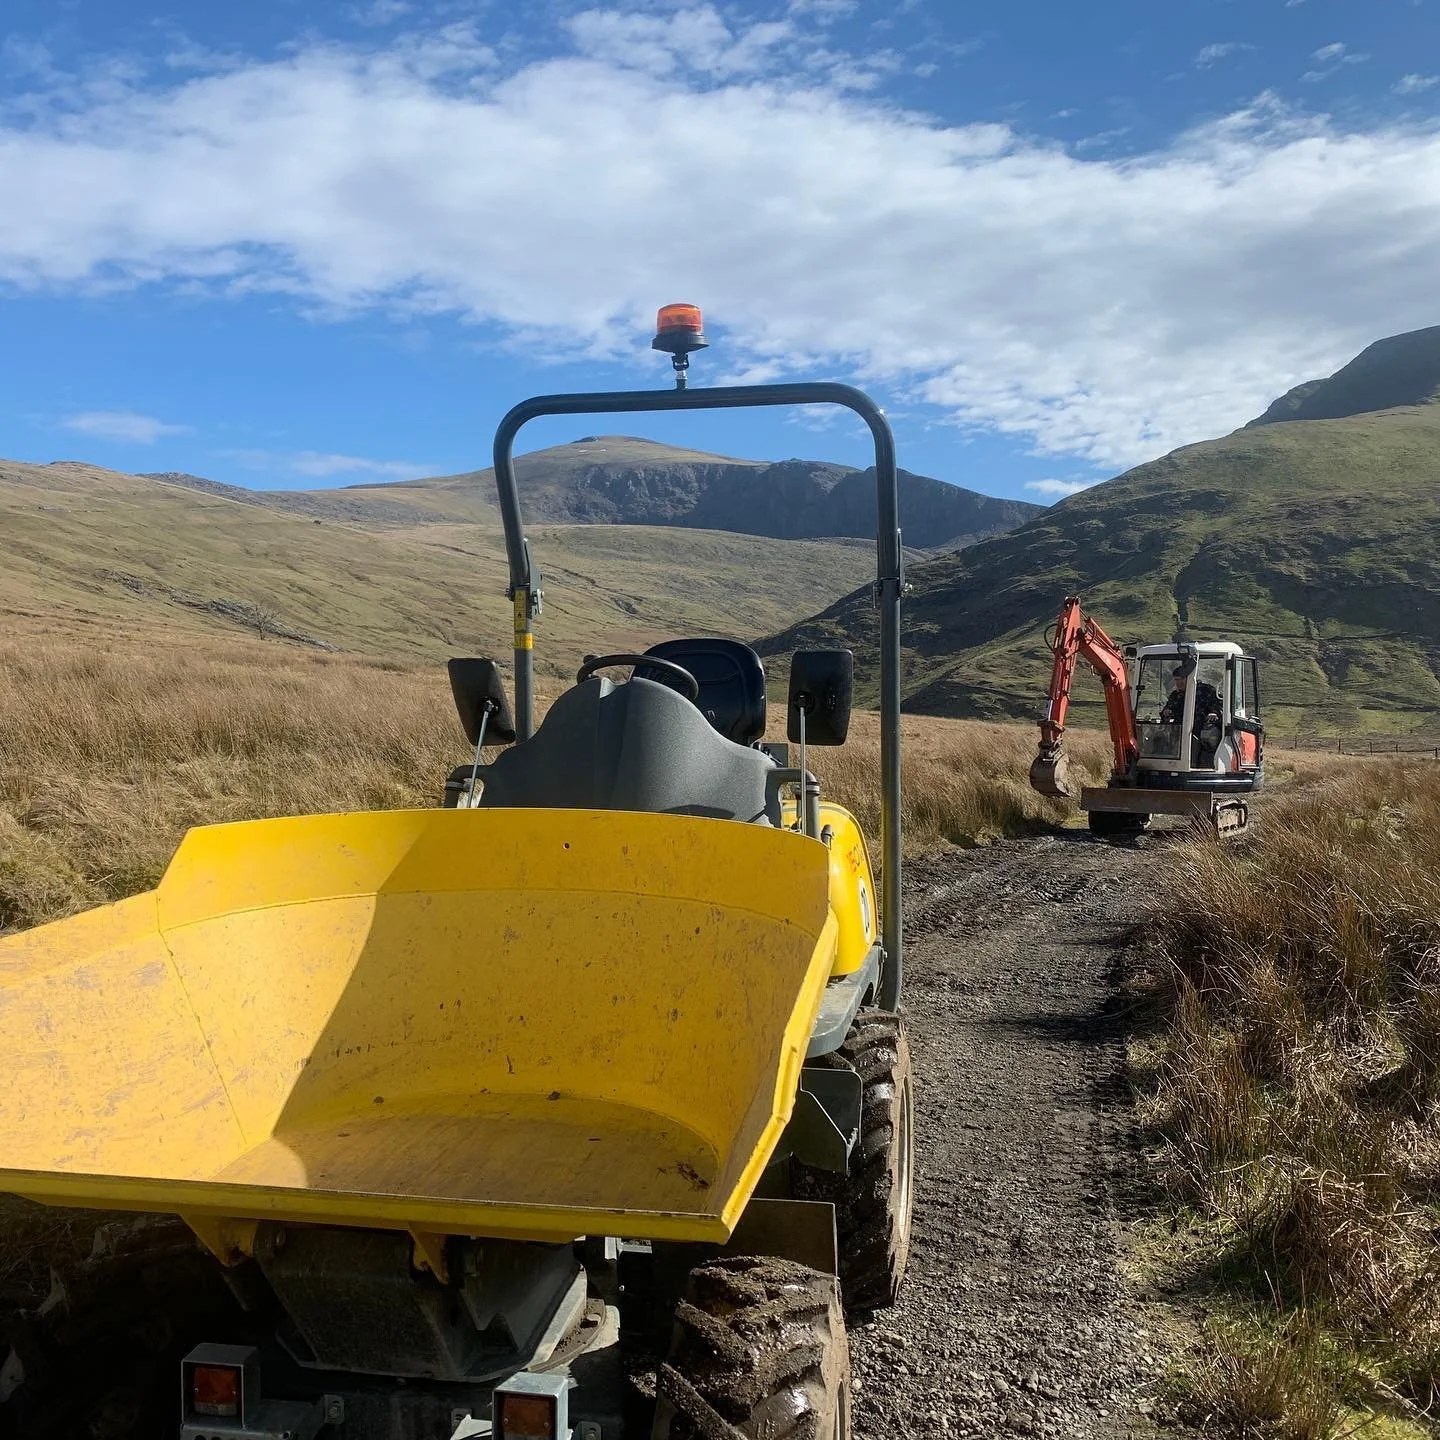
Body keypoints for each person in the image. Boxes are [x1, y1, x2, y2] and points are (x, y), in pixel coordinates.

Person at [1160, 665, 1222, 762]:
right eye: (1176, 680)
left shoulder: (1206, 691)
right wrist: (1166, 712)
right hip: (1179, 732)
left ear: (1189, 678)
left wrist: (1214, 713)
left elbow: (1219, 705)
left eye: (1181, 679)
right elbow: (1166, 711)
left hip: (1202, 733)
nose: (1178, 683)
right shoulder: (1175, 696)